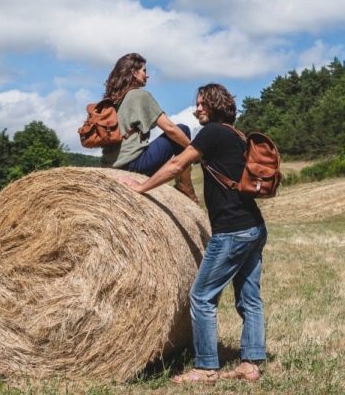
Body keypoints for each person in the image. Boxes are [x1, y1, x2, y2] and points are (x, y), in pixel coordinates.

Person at [120, 83, 267, 384]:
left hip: (232, 230)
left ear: (215, 105)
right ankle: (250, 364)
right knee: (249, 298)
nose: (197, 108)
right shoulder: (237, 136)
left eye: (202, 103)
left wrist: (142, 187)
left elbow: (176, 164)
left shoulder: (213, 132)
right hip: (254, 226)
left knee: (201, 296)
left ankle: (205, 368)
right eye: (197, 103)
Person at [100, 53, 198, 203]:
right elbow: (170, 129)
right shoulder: (139, 95)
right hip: (134, 165)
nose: (147, 75)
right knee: (182, 130)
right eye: (144, 71)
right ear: (134, 72)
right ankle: (186, 186)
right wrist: (196, 152)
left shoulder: (113, 100)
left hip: (110, 167)